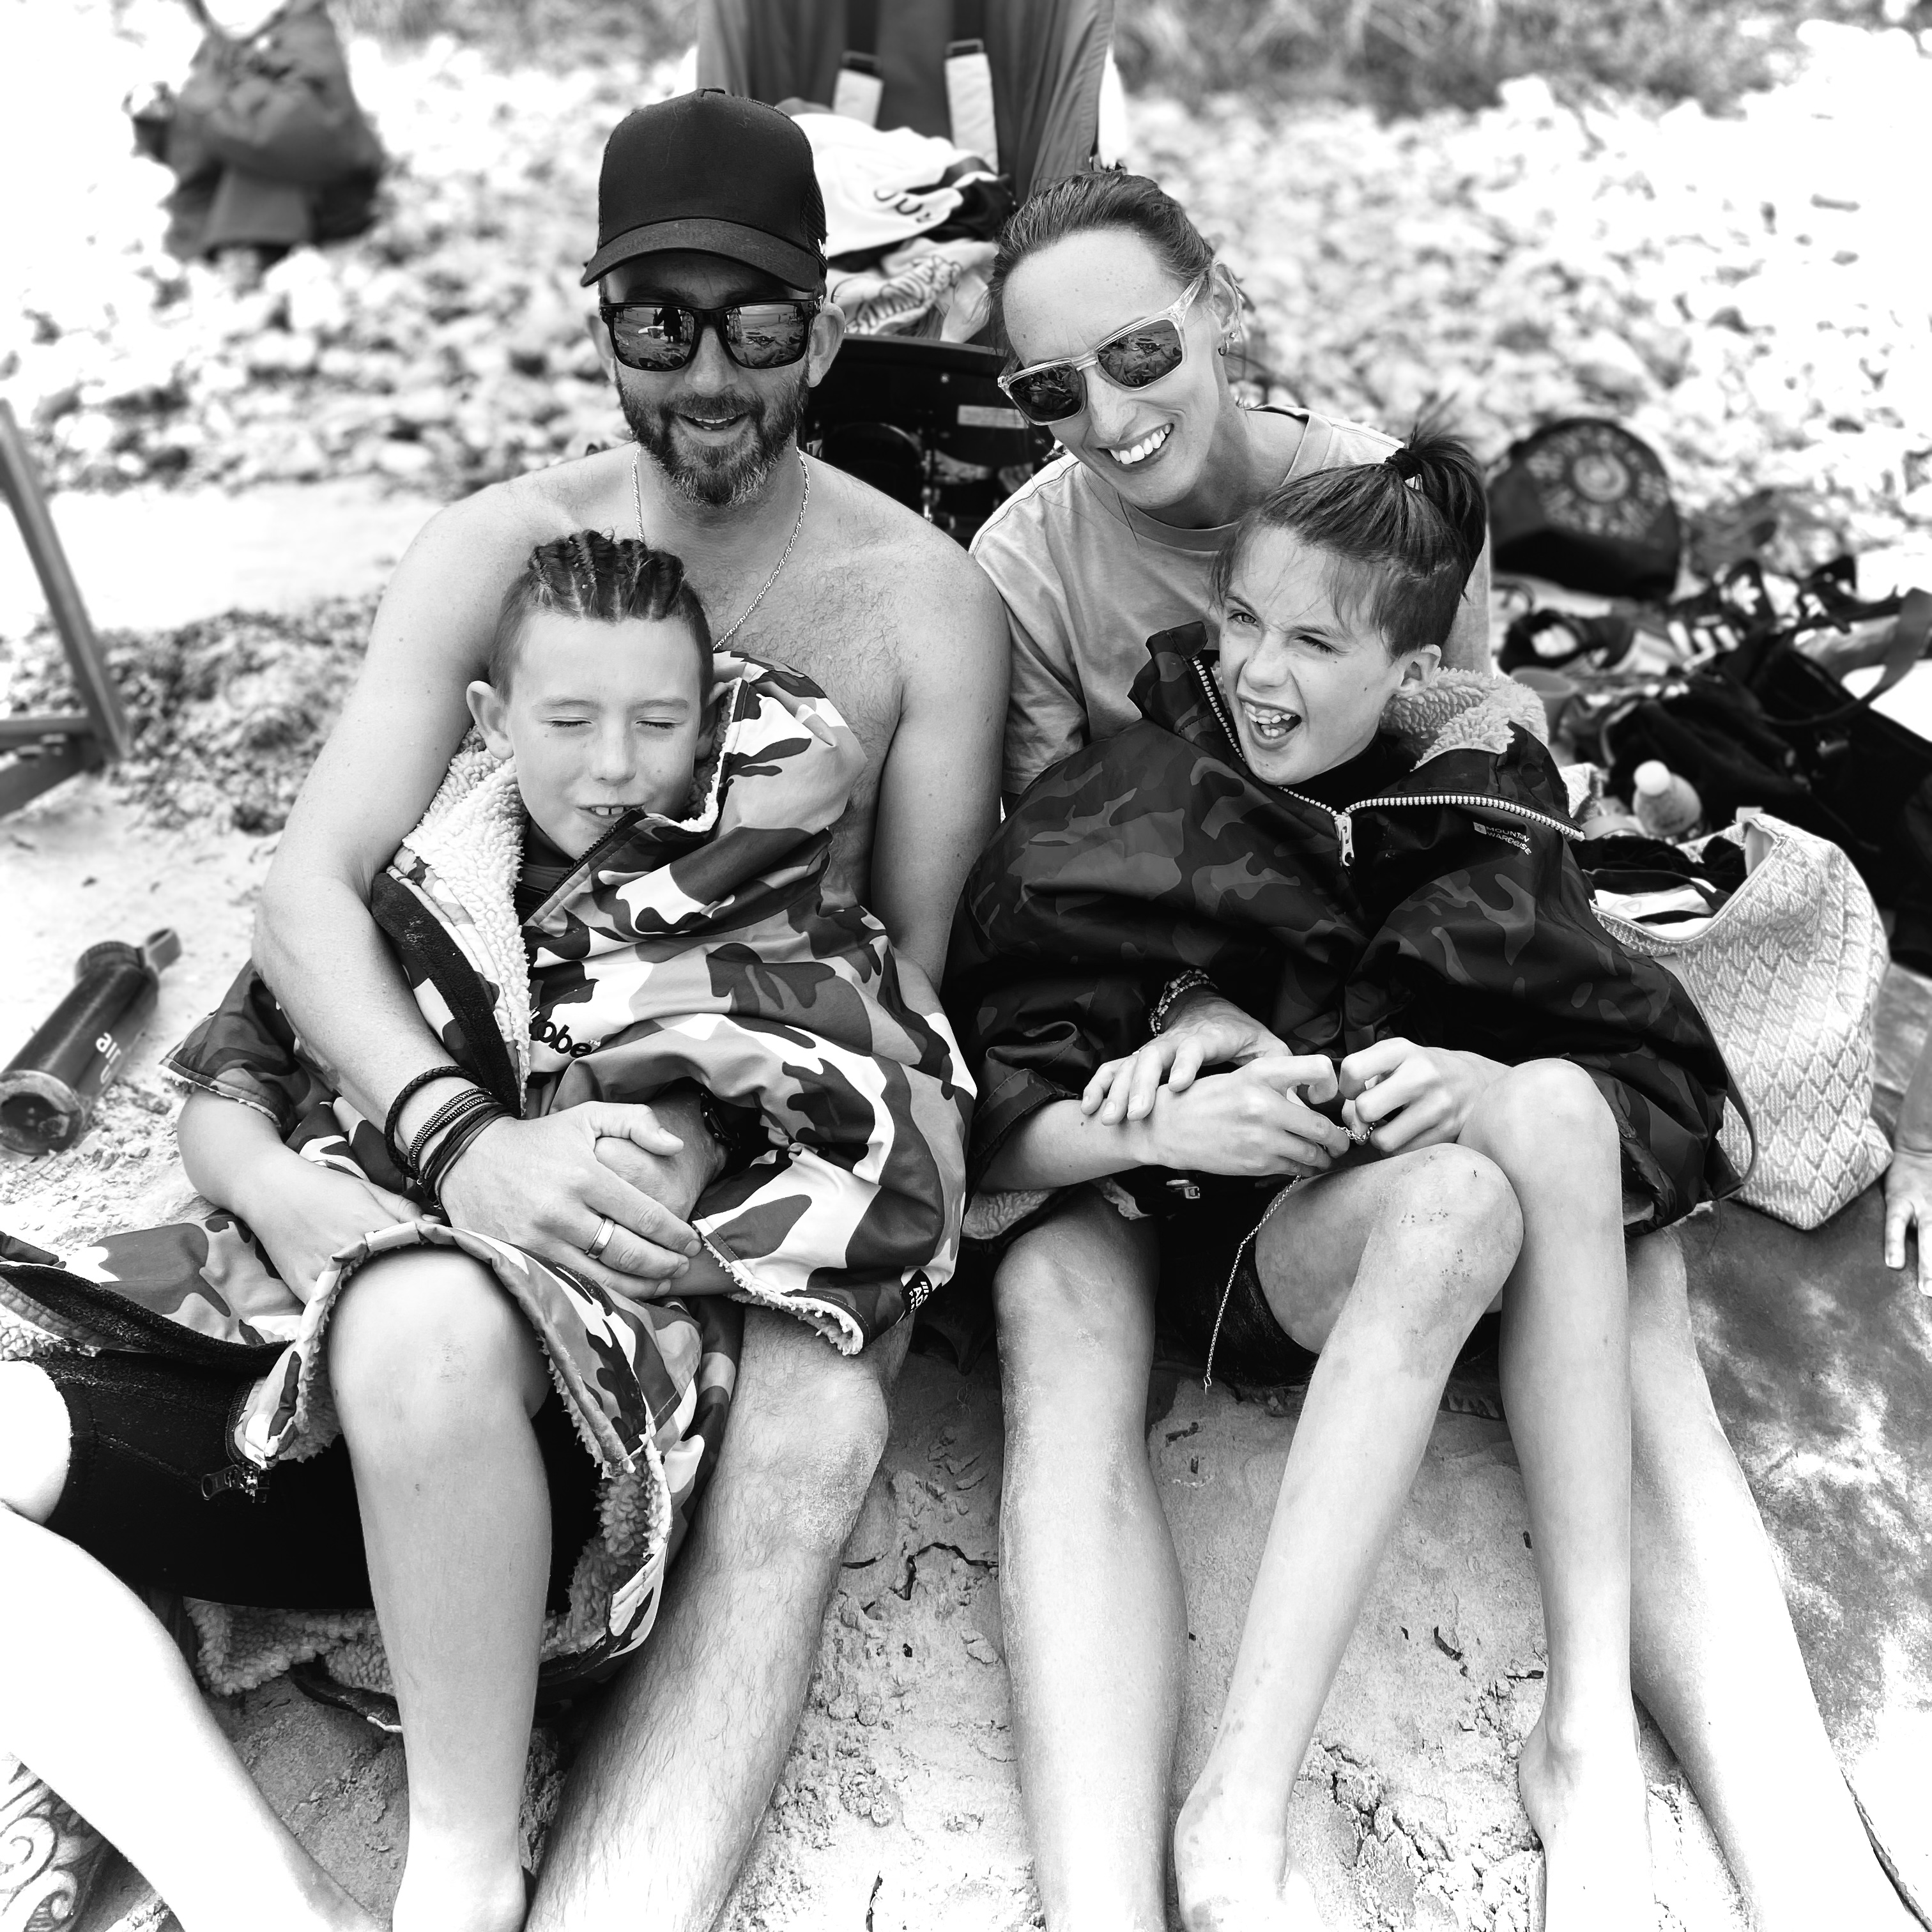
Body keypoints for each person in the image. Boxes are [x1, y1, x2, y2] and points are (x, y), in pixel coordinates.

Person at [965, 167, 1920, 1932]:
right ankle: (1237, 1818)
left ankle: (1654, 1757)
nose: (1103, 416)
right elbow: (1052, 900)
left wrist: (1463, 1054)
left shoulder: (1381, 522)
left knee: (1555, 1136)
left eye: (1138, 352)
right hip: (1192, 1070)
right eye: (1048, 389)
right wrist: (1189, 1016)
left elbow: (1465, 811)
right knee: (1427, 1200)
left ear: (1219, 310)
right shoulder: (1037, 577)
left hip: (1393, 1062)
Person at [247, 84, 1003, 1932]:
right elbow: (303, 895)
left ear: (825, 326)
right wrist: (464, 1137)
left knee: (814, 1444)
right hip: (511, 1101)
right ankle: (462, 1855)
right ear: (600, 323)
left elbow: (903, 967)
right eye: (657, 329)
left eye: (756, 327)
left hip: (764, 1154)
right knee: (419, 1341)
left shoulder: (921, 606)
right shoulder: (496, 550)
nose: (710, 379)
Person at [0, 529, 972, 1932]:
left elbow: (905, 1146)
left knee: (417, 1315)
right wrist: (294, 1195)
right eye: (569, 721)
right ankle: (269, 1910)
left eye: (656, 724)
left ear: (706, 725)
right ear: (490, 721)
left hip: (528, 1455)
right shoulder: (422, 880)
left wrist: (690, 1200)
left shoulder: (768, 919)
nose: (612, 765)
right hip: (273, 1373)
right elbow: (227, 1098)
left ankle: (460, 1880)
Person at [952, 434, 1733, 1928]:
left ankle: (1563, 1734)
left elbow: (1650, 1082)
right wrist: (1178, 1058)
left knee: (1513, 1152)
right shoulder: (1145, 775)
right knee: (1479, 1172)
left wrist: (1466, 1079)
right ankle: (1234, 1812)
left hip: (1368, 1225)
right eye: (1244, 618)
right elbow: (992, 1053)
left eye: (1315, 642)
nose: (1259, 670)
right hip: (1198, 1239)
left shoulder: (1479, 796)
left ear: (1413, 659)